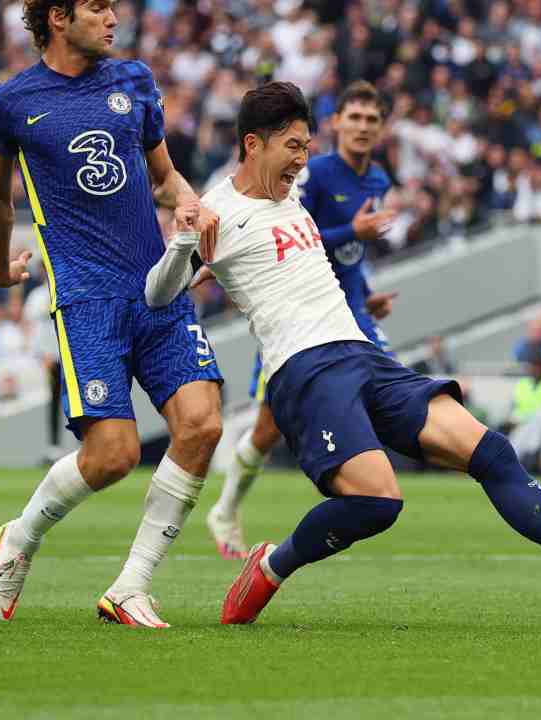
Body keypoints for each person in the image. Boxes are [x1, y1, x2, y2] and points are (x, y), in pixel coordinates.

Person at [144, 82, 541, 624]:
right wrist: (186, 241)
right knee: (379, 503)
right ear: (253, 144)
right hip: (304, 371)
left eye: (308, 146)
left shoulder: (293, 198)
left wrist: (364, 295)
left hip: (362, 353)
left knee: (490, 450)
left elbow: (308, 266)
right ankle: (271, 566)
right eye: (293, 147)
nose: (303, 160)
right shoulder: (215, 211)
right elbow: (159, 294)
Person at [0, 0, 224, 628]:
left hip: (157, 289)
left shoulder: (134, 80)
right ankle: (20, 540)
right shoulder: (11, 102)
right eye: (97, 7)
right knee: (113, 455)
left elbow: (164, 177)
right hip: (86, 300)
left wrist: (191, 204)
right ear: (57, 17)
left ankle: (131, 587)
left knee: (201, 424)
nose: (113, 16)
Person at [206, 80, 398, 560]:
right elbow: (293, 237)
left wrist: (368, 294)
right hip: (296, 316)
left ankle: (359, 485)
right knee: (268, 430)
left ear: (382, 128)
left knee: (390, 401)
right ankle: (228, 507)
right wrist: (351, 230)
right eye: (353, 117)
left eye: (371, 120)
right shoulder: (311, 174)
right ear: (335, 125)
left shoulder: (377, 181)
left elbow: (349, 256)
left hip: (349, 315)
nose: (362, 127)